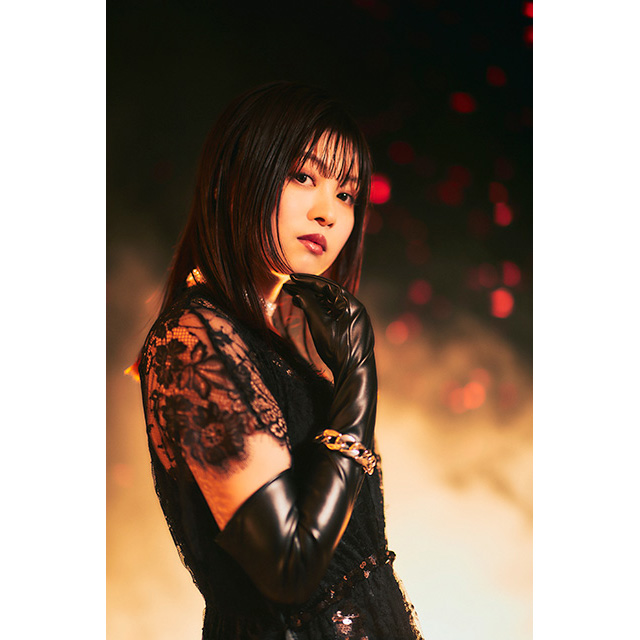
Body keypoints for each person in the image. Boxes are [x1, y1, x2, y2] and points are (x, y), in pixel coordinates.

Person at [137, 81, 424, 639]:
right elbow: (289, 568)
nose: (328, 213)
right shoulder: (191, 342)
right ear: (236, 178)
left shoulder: (285, 344)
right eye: (303, 177)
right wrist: (358, 377)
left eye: (347, 194)